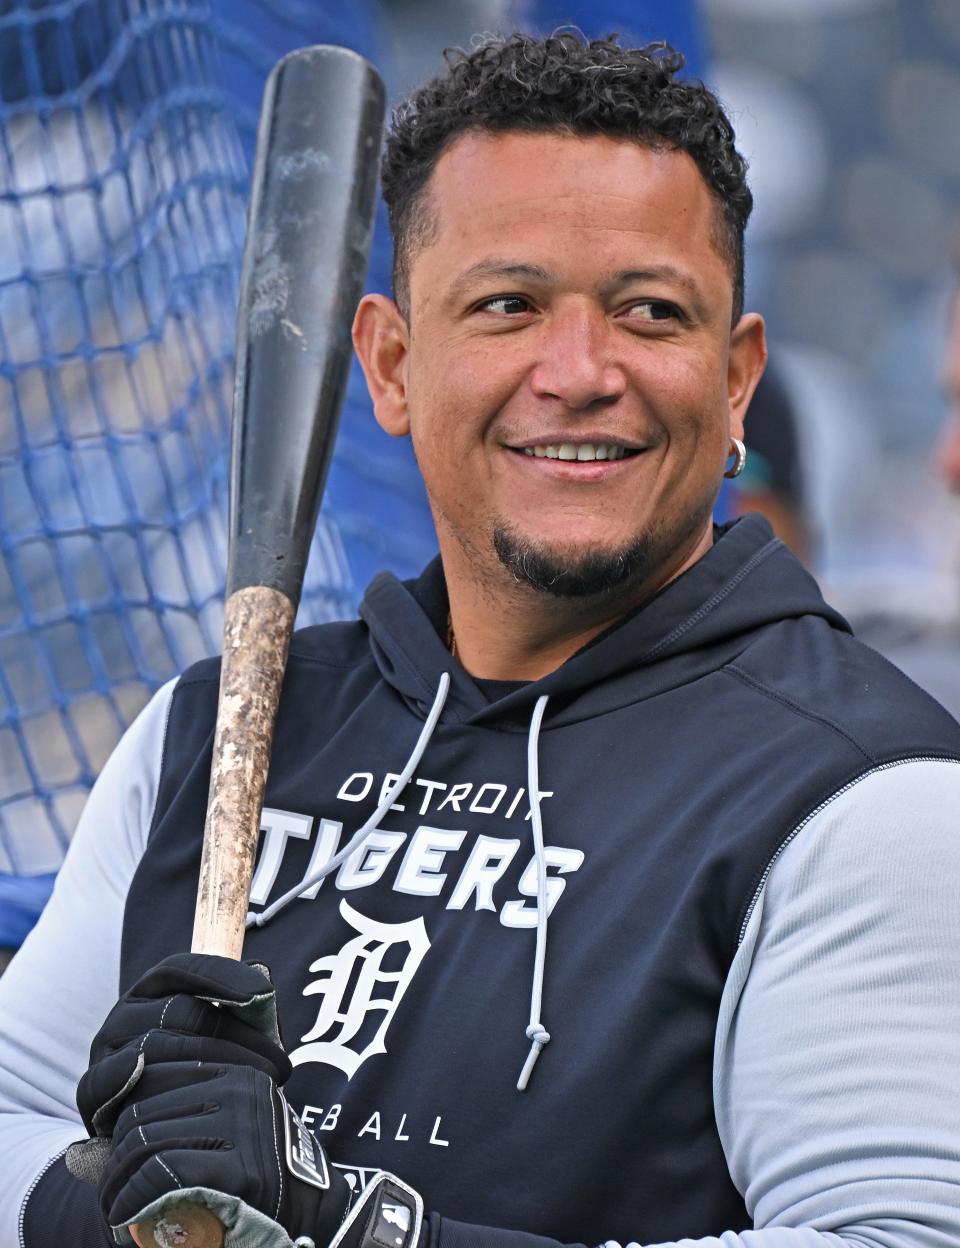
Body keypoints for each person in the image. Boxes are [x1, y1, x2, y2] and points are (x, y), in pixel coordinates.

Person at [3, 31, 960, 1248]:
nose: (579, 372)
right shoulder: (218, 728)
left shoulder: (870, 794)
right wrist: (138, 1207)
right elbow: (11, 1115)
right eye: (509, 306)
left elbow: (895, 1236)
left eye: (650, 312)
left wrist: (344, 1225)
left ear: (735, 381)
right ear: (392, 367)